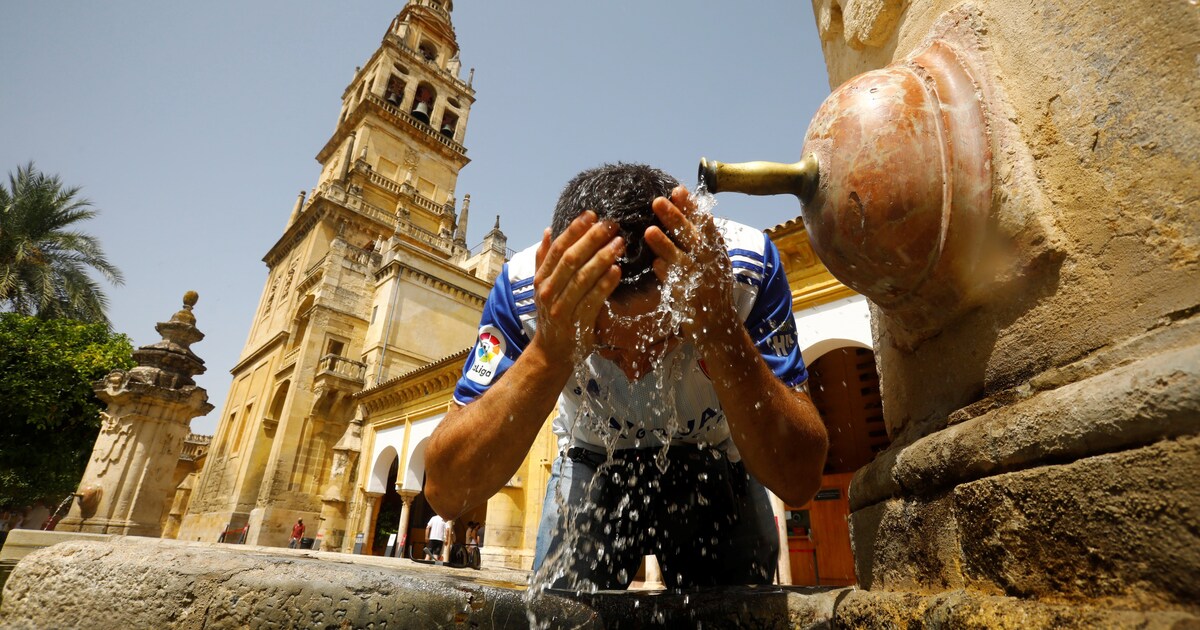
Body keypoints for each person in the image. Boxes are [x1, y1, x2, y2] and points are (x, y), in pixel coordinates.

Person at [425, 163, 828, 590]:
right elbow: (448, 493)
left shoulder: (739, 272)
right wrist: (548, 352)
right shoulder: (530, 294)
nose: (637, 369)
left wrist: (723, 333)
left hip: (715, 453)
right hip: (591, 456)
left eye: (664, 340)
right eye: (608, 347)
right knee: (560, 616)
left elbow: (798, 480)